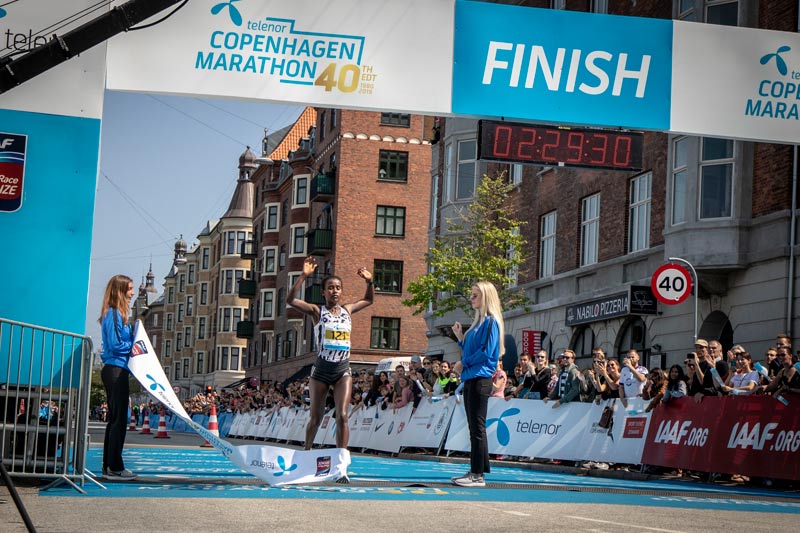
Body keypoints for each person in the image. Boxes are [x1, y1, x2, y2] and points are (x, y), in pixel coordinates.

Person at [286, 256, 373, 457]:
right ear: (323, 292)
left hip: (342, 370)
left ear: (341, 292)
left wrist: (369, 282)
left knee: (342, 416)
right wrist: (303, 276)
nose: (335, 291)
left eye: (338, 288)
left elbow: (368, 300)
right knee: (316, 418)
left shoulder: (347, 310)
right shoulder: (317, 311)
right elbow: (290, 301)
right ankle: (306, 452)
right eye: (331, 288)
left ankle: (341, 459)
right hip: (321, 372)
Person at [450, 281, 505, 488]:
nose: (471, 299)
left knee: (477, 428)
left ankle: (477, 474)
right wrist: (460, 338)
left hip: (480, 378)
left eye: (475, 295)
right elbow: (472, 350)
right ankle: (477, 470)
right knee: (474, 427)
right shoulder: (478, 323)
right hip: (472, 377)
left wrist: (462, 363)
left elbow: (486, 353)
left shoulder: (491, 322)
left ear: (486, 297)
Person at [98, 274, 137, 480]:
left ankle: (109, 465)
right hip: (115, 369)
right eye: (129, 289)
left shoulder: (117, 314)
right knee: (119, 420)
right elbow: (115, 344)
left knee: (115, 420)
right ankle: (115, 466)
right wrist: (134, 344)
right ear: (120, 291)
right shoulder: (113, 313)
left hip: (118, 369)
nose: (132, 293)